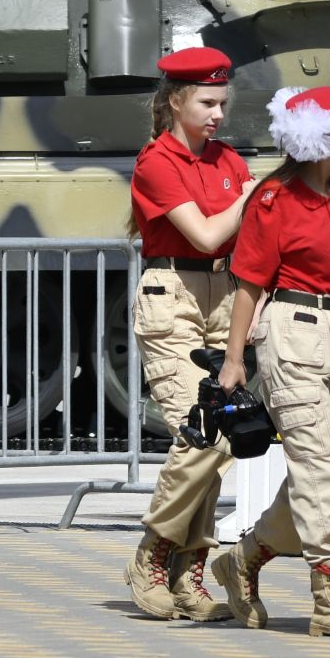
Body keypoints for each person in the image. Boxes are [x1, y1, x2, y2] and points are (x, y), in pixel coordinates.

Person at [207, 85, 330, 639]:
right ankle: (329, 597)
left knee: (326, 469)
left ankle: (242, 560)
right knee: (318, 470)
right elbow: (249, 284)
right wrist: (234, 359)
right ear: (318, 136)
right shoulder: (275, 200)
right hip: (292, 332)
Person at [123, 46, 255, 621]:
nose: (217, 114)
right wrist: (253, 198)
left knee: (221, 435)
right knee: (201, 434)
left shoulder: (228, 160)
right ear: (176, 101)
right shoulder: (158, 161)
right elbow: (203, 236)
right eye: (206, 102)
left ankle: (188, 570)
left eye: (223, 103)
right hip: (172, 296)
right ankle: (153, 553)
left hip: (226, 298)